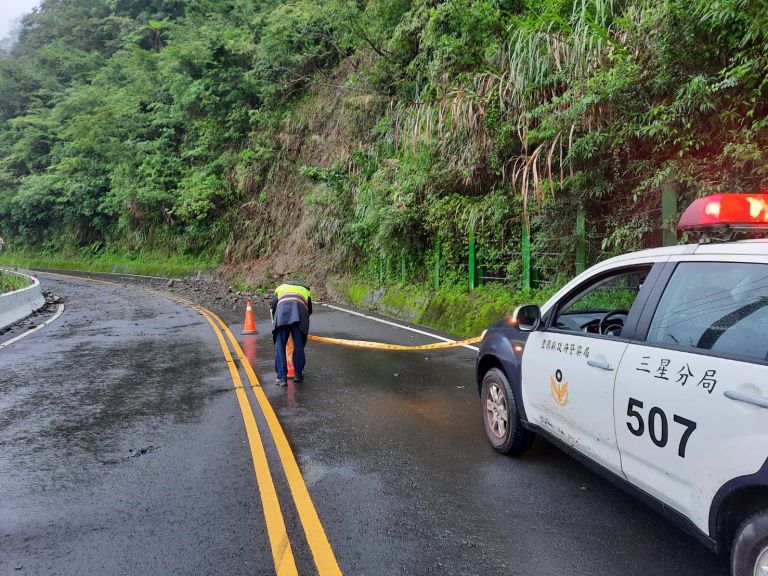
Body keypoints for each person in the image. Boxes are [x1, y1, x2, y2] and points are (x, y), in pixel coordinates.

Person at [271, 280, 312, 386]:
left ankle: (281, 377)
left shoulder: (280, 288)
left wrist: (276, 323)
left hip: (282, 316)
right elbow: (309, 310)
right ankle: (298, 374)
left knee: (280, 346)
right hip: (299, 317)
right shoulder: (305, 290)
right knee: (298, 345)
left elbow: (273, 307)